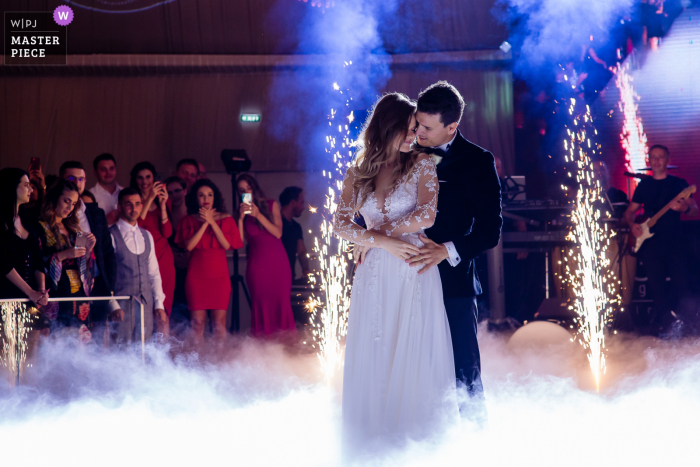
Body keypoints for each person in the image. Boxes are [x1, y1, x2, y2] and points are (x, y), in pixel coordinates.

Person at [334, 93, 458, 457]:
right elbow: (340, 224)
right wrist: (377, 241)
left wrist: (376, 236)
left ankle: (417, 449)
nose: (413, 136)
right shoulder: (359, 172)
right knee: (375, 349)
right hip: (374, 272)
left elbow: (427, 216)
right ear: (385, 128)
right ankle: (372, 447)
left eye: (416, 129)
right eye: (407, 129)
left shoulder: (422, 165)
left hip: (412, 267)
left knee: (413, 350)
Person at [410, 81, 502, 400]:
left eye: (427, 127)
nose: (418, 132)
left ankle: (472, 438)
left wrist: (446, 251)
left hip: (454, 282)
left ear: (452, 127)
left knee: (463, 367)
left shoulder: (478, 161)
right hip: (403, 277)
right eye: (417, 122)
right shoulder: (403, 152)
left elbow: (490, 230)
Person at [624, 145, 698, 335]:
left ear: (667, 159)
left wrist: (683, 209)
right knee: (657, 289)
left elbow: (695, 209)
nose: (656, 161)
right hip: (650, 246)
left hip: (675, 243)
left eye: (661, 157)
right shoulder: (645, 185)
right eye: (653, 157)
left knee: (682, 287)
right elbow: (629, 212)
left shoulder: (678, 184)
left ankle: (690, 327)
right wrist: (632, 225)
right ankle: (667, 327)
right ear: (649, 160)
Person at [175, 179, 242, 346]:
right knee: (197, 323)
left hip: (219, 275)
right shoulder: (188, 220)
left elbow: (227, 245)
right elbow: (189, 246)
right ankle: (197, 363)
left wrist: (212, 221)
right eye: (201, 195)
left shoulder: (226, 219)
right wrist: (205, 224)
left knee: (219, 324)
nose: (206, 198)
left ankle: (219, 363)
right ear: (195, 198)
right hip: (196, 275)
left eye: (210, 194)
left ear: (215, 197)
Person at [60, 161, 117, 338]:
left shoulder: (95, 212)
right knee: (69, 338)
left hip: (97, 283)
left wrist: (109, 287)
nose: (77, 182)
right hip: (67, 287)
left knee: (97, 339)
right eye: (71, 178)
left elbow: (107, 252)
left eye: (81, 179)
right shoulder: (57, 212)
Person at [237, 174, 296, 338]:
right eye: (241, 190)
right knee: (260, 306)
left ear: (254, 187)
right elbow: (239, 244)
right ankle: (264, 353)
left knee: (281, 304)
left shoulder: (271, 204)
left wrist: (258, 216)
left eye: (248, 188)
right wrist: (241, 220)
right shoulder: (240, 212)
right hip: (257, 266)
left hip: (278, 264)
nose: (246, 192)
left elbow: (278, 233)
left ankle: (287, 350)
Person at [38, 180, 97, 340]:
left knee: (80, 353)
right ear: (55, 198)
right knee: (55, 349)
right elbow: (36, 264)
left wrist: (89, 250)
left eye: (74, 203)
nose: (69, 207)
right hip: (55, 298)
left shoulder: (75, 230)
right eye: (66, 201)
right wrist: (64, 255)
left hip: (78, 298)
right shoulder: (40, 227)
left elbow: (88, 273)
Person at [108, 188, 167, 344]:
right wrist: (112, 305)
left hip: (145, 305)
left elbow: (154, 273)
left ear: (142, 206)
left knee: (144, 349)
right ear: (119, 207)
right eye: (128, 204)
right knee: (120, 351)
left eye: (137, 204)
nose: (134, 209)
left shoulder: (146, 235)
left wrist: (158, 304)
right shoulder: (110, 235)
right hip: (121, 306)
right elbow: (104, 275)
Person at [130, 162, 176, 337]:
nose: (144, 181)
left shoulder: (163, 201)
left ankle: (162, 357)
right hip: (142, 259)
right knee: (144, 312)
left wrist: (163, 205)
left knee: (163, 311)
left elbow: (168, 233)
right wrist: (148, 199)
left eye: (148, 177)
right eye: (140, 177)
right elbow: (136, 225)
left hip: (163, 258)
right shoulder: (133, 201)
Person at [0, 168, 48, 307]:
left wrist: (41, 290)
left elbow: (37, 257)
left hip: (29, 298)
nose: (31, 190)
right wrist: (30, 292)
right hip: (5, 297)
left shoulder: (28, 217)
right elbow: (2, 262)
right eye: (26, 185)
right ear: (11, 186)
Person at [279, 186, 311, 281]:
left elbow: (301, 251)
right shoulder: (274, 224)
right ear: (293, 203)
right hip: (274, 277)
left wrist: (305, 270)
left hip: (289, 277)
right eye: (301, 203)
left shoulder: (296, 227)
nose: (303, 207)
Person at [89, 153, 123, 226]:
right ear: (95, 172)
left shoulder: (124, 192)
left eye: (111, 168)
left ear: (115, 170)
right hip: (101, 237)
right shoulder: (90, 196)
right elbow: (86, 225)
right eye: (103, 169)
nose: (108, 172)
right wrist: (105, 221)